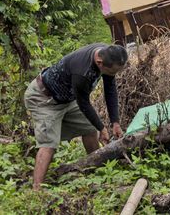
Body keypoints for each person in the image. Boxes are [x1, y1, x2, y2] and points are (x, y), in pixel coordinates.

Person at [24, 42, 128, 190]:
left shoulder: (108, 54)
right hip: (43, 98)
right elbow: (84, 103)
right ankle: (36, 191)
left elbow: (110, 89)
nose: (113, 76)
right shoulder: (82, 72)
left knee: (90, 128)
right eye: (112, 72)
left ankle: (97, 170)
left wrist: (115, 122)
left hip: (67, 98)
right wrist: (103, 128)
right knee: (49, 144)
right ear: (100, 63)